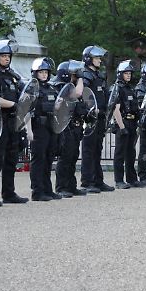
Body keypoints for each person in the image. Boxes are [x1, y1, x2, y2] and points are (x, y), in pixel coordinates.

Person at [0, 40, 29, 206]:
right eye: (3, 56)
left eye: (8, 55)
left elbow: (24, 95)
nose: (6, 58)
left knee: (11, 158)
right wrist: (13, 105)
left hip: (13, 121)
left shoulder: (13, 76)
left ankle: (9, 192)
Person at [26, 57, 62, 201]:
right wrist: (28, 130)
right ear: (35, 73)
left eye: (46, 72)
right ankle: (37, 191)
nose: (44, 74)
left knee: (48, 158)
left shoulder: (52, 88)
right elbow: (26, 109)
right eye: (41, 72)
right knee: (38, 159)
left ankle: (48, 189)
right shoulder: (31, 88)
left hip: (50, 126)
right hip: (38, 127)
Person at [53, 60, 90, 197]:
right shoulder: (62, 86)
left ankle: (71, 186)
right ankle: (62, 187)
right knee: (65, 157)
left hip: (75, 126)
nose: (76, 76)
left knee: (73, 156)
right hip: (65, 126)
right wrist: (81, 78)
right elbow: (78, 93)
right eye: (74, 74)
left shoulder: (71, 86)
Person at [79, 46, 114, 193]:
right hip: (90, 117)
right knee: (88, 150)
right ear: (88, 59)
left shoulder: (99, 76)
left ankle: (98, 180)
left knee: (97, 149)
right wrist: (91, 109)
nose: (100, 60)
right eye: (97, 58)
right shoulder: (86, 75)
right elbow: (83, 95)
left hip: (100, 117)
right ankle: (87, 181)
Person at [109, 60, 142, 189]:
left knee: (131, 152)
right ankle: (119, 180)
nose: (128, 75)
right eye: (126, 73)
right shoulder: (117, 88)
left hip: (132, 122)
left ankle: (132, 178)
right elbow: (115, 108)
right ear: (120, 74)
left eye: (129, 73)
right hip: (123, 122)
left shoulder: (129, 88)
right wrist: (121, 126)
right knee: (120, 153)